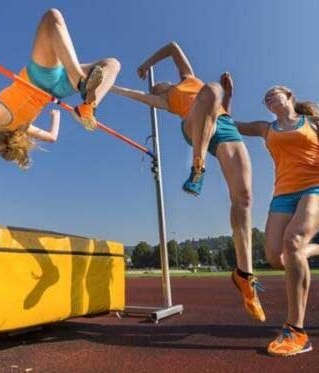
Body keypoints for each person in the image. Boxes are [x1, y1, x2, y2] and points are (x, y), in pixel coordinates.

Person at [111, 42, 265, 322]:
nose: (157, 88)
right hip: (193, 127)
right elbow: (133, 94)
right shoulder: (165, 101)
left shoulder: (187, 77)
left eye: (160, 85)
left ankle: (245, 275)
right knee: (211, 90)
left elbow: (172, 47)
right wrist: (110, 87)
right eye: (155, 90)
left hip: (224, 125)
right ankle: (198, 167)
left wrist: (147, 63)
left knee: (243, 199)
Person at [0, 8, 121, 168]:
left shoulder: (22, 128)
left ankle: (89, 107)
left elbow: (52, 138)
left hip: (59, 89)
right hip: (41, 77)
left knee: (112, 63)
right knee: (52, 17)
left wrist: (56, 117)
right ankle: (82, 84)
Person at [235, 83, 319, 357]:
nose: (269, 99)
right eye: (266, 99)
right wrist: (224, 99)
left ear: (289, 95)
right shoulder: (266, 128)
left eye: (273, 93)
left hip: (314, 187)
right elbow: (231, 123)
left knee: (293, 241)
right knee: (276, 257)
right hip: (282, 194)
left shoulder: (312, 122)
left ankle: (296, 331)